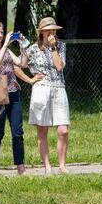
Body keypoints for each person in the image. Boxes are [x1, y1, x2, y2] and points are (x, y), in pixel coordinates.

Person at [0, 21, 45, 176]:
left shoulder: (8, 50)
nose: (0, 35)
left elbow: (22, 63)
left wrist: (23, 46)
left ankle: (21, 167)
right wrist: (5, 45)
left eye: (1, 32)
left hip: (13, 92)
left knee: (17, 132)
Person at [24, 17, 70, 174]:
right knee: (42, 130)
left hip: (58, 87)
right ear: (42, 32)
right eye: (49, 29)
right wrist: (30, 79)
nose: (52, 32)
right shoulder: (33, 48)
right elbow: (20, 64)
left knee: (63, 130)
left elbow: (59, 66)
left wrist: (52, 48)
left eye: (54, 29)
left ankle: (62, 165)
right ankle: (47, 167)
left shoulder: (60, 46)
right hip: (41, 88)